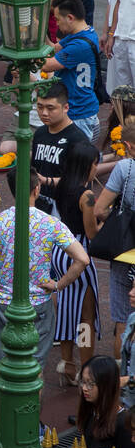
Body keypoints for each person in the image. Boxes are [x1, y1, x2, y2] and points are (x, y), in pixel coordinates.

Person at [0, 169, 88, 438]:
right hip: (38, 302)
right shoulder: (50, 224)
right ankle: (29, 422)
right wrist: (58, 284)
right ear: (37, 190)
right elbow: (82, 259)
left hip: (5, 301)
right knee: (34, 365)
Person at [51, 142, 102, 385]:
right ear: (87, 165)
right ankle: (85, 368)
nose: (96, 168)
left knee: (66, 307)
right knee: (86, 318)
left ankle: (66, 362)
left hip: (61, 250)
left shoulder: (62, 186)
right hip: (80, 252)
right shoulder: (87, 195)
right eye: (95, 164)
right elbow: (92, 233)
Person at [98, 116, 135, 356]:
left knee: (122, 318)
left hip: (126, 250)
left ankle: (122, 376)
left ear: (129, 146)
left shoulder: (125, 168)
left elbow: (99, 209)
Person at [43, 0, 101, 140]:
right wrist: (38, 30)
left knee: (76, 161)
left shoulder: (80, 45)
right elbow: (53, 48)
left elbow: (47, 65)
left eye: (57, 19)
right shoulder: (83, 33)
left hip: (79, 114)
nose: (56, 24)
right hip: (78, 109)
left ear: (69, 17)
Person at [76, 355, 135, 448]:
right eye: (83, 382)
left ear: (107, 386)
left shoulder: (124, 423)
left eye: (91, 384)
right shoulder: (90, 411)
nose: (84, 388)